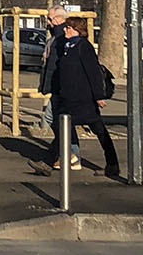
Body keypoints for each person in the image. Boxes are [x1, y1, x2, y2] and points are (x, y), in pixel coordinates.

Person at [30, 17, 121, 179]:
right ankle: (48, 163)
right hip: (69, 97)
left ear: (77, 30)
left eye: (68, 28)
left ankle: (112, 164)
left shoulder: (83, 47)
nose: (65, 30)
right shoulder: (67, 46)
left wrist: (98, 96)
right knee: (63, 128)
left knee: (98, 130)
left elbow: (93, 72)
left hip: (83, 98)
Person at [37, 7, 80, 166]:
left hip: (62, 87)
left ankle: (65, 154)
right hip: (58, 86)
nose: (48, 22)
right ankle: (71, 156)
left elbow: (61, 65)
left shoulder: (62, 38)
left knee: (53, 119)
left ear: (59, 19)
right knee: (64, 121)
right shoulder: (55, 37)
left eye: (50, 19)